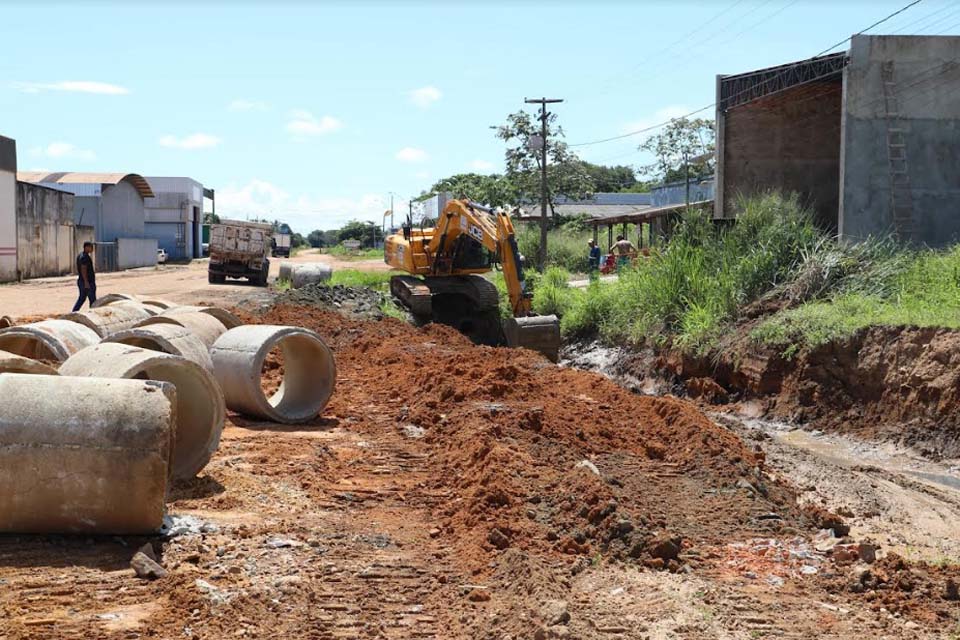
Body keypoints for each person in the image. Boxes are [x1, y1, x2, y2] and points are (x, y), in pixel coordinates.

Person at [73, 242, 96, 312]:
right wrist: (86, 282)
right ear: (87, 247)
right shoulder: (84, 257)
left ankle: (74, 312)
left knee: (82, 298)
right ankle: (93, 314)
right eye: (91, 247)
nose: (92, 249)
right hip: (87, 282)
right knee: (93, 300)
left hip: (83, 281)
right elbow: (83, 269)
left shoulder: (81, 255)